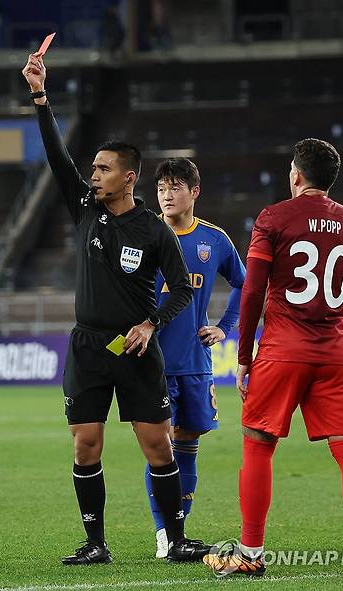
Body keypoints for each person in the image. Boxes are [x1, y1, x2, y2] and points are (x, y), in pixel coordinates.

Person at [22, 52, 208, 564]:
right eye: (94, 168)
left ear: (129, 177)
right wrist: (41, 95)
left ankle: (175, 540)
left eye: (104, 169)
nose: (94, 175)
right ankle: (95, 544)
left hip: (134, 347)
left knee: (158, 447)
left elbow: (182, 289)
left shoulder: (153, 230)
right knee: (85, 445)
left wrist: (152, 323)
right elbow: (58, 157)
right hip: (88, 346)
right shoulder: (85, 208)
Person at [203, 138, 343, 580]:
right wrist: (342, 337)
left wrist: (243, 354)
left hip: (282, 351)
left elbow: (251, 292)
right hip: (336, 354)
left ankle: (250, 552)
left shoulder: (274, 218)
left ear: (296, 175)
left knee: (258, 447)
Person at [145, 158, 245, 558]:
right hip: (153, 362)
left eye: (175, 187)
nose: (167, 196)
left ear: (194, 192)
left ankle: (179, 532)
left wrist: (226, 327)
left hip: (196, 361)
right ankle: (163, 534)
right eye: (161, 189)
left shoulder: (214, 240)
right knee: (160, 448)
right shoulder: (144, 233)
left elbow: (244, 282)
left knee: (188, 444)